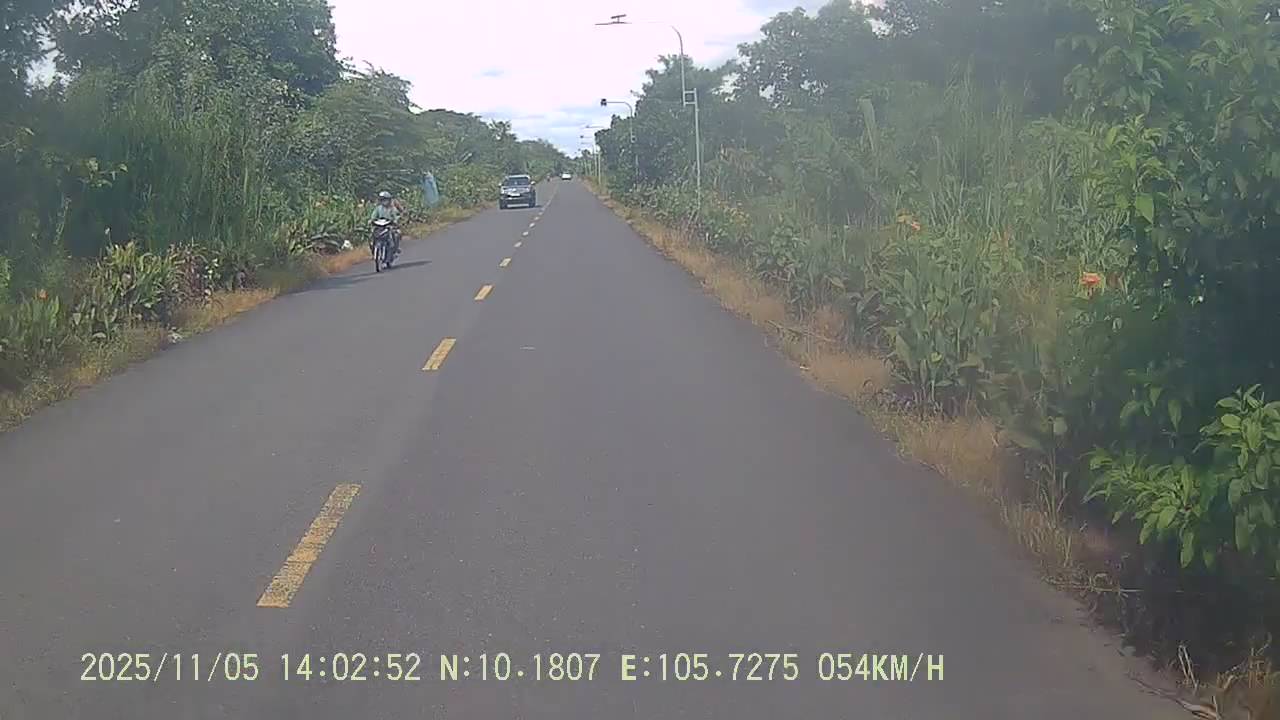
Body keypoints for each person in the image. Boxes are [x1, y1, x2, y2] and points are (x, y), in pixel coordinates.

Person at [369, 190, 402, 257]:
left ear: (389, 200)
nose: (384, 201)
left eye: (385, 199)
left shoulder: (392, 209)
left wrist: (395, 221)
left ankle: (395, 248)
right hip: (380, 227)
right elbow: (373, 216)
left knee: (397, 234)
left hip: (389, 226)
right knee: (371, 236)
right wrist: (371, 220)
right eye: (382, 200)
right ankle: (374, 251)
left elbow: (396, 216)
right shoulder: (378, 208)